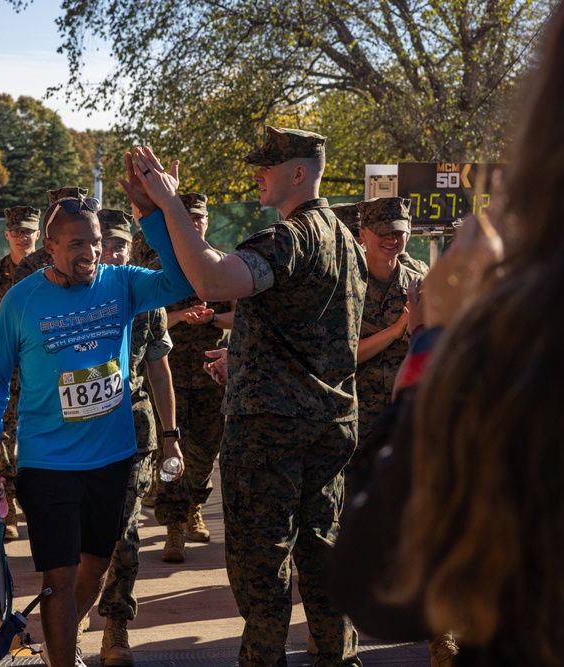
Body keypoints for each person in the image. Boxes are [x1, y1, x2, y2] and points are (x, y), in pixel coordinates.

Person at [329, 1, 564, 665]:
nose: (395, 243)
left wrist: (436, 345)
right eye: (384, 233)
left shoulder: (544, 326)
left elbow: (381, 579)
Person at [123, 129, 366, 667]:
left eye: (268, 166)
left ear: (298, 174)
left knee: (261, 571)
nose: (257, 173)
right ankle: (339, 659)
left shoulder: (288, 237)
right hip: (326, 422)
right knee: (323, 557)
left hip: (272, 431)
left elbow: (209, 280)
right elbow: (309, 327)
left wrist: (166, 201)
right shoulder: (343, 236)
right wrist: (248, 353)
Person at [0, 191, 192, 667]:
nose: (88, 252)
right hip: (47, 462)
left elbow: (182, 277)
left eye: (93, 242)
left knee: (95, 566)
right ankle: (61, 657)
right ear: (48, 246)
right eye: (75, 244)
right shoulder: (21, 300)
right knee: (59, 576)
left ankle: (63, 634)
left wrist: (154, 216)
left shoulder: (123, 284)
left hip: (112, 458)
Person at [94, 208, 180, 666]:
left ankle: (115, 626)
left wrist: (171, 436)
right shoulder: (73, 297)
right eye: (105, 243)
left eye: (120, 244)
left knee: (123, 529)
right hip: (77, 434)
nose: (113, 250)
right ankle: (67, 616)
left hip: (131, 427)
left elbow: (159, 369)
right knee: (78, 532)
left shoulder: (146, 297)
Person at [153, 192, 235, 562]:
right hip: (168, 374)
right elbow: (146, 319)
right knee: (171, 449)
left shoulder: (221, 263)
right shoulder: (160, 266)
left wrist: (213, 319)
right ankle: (173, 528)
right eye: (189, 217)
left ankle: (195, 507)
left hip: (211, 376)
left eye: (200, 217)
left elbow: (243, 314)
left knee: (206, 452)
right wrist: (179, 318)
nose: (196, 223)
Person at [342, 197, 424, 496]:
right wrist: (395, 330)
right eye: (382, 231)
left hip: (404, 415)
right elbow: (341, 357)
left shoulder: (419, 281)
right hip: (355, 417)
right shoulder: (344, 283)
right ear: (362, 234)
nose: (391, 239)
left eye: (398, 231)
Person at [0, 204, 42, 539]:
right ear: (7, 234)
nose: (23, 237)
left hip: (42, 367)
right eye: (17, 232)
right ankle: (7, 506)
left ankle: (38, 503)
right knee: (3, 437)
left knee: (39, 437)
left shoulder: (52, 269)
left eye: (29, 231)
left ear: (38, 234)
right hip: (10, 367)